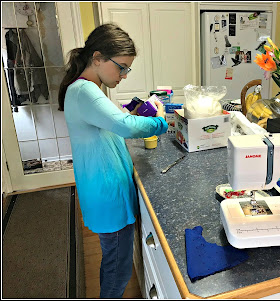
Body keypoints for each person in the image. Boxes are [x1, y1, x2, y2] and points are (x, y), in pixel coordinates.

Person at [58, 23, 168, 298]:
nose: (124, 75)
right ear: (97, 58)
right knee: (117, 269)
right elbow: (126, 127)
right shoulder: (85, 91)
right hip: (107, 194)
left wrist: (132, 112)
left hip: (105, 189)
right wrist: (160, 122)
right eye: (121, 67)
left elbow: (111, 122)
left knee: (113, 261)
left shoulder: (86, 89)